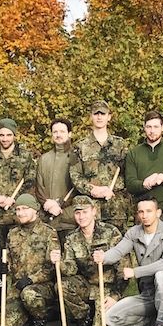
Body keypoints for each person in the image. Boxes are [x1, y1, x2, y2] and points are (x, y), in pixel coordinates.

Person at [94, 198, 163, 326]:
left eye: (149, 211)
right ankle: (153, 322)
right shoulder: (134, 232)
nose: (144, 215)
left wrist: (135, 272)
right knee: (110, 317)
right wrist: (104, 256)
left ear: (158, 213)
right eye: (141, 212)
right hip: (148, 292)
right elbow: (118, 251)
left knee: (161, 275)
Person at [52, 196, 126, 326]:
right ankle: (84, 316)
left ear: (94, 211)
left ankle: (111, 315)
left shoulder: (111, 232)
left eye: (85, 212)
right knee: (62, 286)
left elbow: (123, 267)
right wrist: (58, 262)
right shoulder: (72, 237)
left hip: (107, 287)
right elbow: (71, 269)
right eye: (77, 213)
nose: (81, 217)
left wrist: (115, 296)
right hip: (86, 285)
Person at [0, 194, 59, 326]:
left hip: (40, 287)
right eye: (18, 209)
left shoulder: (49, 233)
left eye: (25, 209)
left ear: (35, 210)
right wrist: (4, 267)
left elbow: (52, 268)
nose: (20, 213)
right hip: (17, 286)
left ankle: (39, 318)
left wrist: (31, 280)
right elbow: (10, 260)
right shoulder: (13, 233)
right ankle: (25, 311)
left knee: (29, 295)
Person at [69, 100, 131, 233]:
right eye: (96, 114)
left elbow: (129, 174)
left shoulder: (120, 145)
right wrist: (92, 189)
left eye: (102, 114)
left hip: (116, 207)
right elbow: (75, 176)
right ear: (91, 117)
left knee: (118, 247)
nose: (99, 117)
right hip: (90, 208)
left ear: (109, 117)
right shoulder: (80, 146)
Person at [124, 110, 163, 229]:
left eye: (156, 127)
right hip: (143, 213)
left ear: (162, 128)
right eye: (149, 127)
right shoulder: (134, 153)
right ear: (144, 128)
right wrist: (145, 184)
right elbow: (130, 184)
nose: (152, 131)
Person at [0, 118, 36, 244]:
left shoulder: (25, 156)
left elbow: (30, 181)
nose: (5, 139)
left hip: (17, 214)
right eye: (1, 135)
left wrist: (14, 198)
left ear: (14, 135)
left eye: (8, 135)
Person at [34, 118, 76, 243]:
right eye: (55, 132)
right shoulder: (44, 158)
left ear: (69, 134)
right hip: (48, 219)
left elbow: (79, 186)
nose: (58, 135)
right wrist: (46, 203)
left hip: (70, 219)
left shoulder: (76, 156)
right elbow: (39, 185)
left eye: (62, 131)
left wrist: (60, 204)